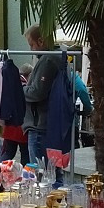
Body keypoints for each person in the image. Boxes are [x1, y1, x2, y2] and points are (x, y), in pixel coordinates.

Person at [23, 25, 63, 171]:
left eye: (32, 45)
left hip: (40, 126)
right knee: (50, 172)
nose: (31, 50)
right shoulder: (57, 57)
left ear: (40, 41)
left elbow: (38, 92)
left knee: (41, 174)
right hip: (46, 124)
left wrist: (20, 90)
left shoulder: (48, 60)